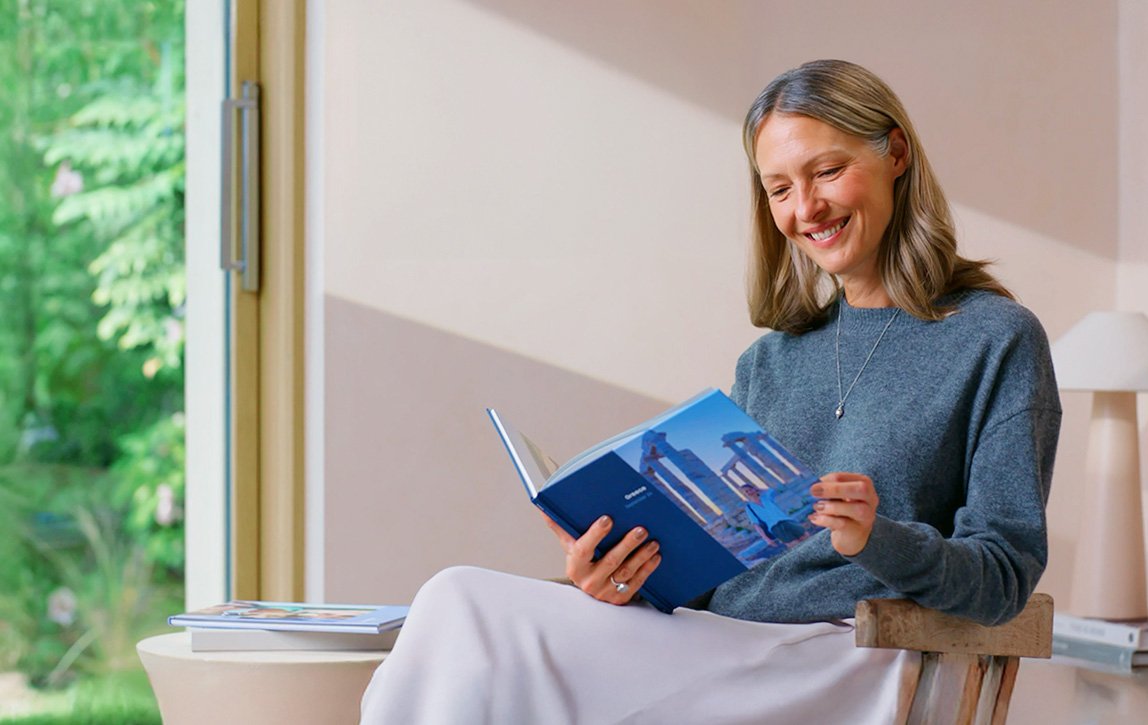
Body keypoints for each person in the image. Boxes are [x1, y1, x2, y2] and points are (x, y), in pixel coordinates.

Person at [360, 59, 1060, 724]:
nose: (806, 207)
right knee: (456, 608)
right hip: (720, 645)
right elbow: (716, 565)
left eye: (828, 171)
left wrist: (875, 539)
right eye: (780, 188)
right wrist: (617, 575)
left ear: (896, 154)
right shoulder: (772, 360)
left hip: (848, 661)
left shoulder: (995, 338)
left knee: (464, 607)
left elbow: (1004, 575)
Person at [739, 483, 815, 546]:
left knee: (806, 537)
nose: (749, 492)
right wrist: (767, 539)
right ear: (745, 495)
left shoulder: (766, 497)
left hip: (787, 521)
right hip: (774, 527)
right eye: (746, 492)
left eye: (750, 489)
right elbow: (756, 525)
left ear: (754, 489)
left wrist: (758, 489)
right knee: (794, 544)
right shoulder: (749, 507)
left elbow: (773, 490)